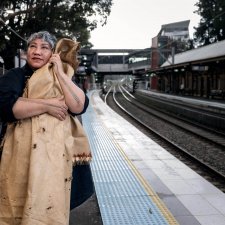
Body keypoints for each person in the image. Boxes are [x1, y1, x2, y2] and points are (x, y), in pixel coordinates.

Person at [0, 31, 91, 225]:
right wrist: (47, 105)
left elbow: (78, 106)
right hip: (20, 158)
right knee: (18, 206)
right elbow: (6, 108)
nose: (37, 51)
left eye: (44, 47)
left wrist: (59, 72)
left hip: (56, 160)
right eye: (33, 46)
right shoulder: (15, 76)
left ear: (53, 54)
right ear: (26, 52)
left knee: (50, 207)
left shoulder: (63, 77)